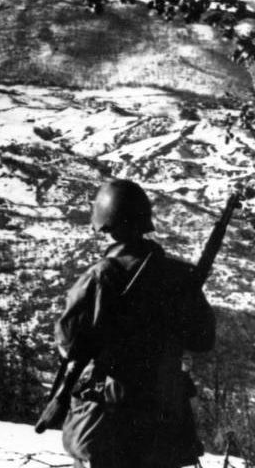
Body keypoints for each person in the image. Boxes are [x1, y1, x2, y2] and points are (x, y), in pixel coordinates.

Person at [56, 179, 216, 468]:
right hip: (166, 423)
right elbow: (203, 341)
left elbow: (69, 342)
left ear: (106, 225)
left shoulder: (100, 277)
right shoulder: (180, 276)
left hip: (112, 422)